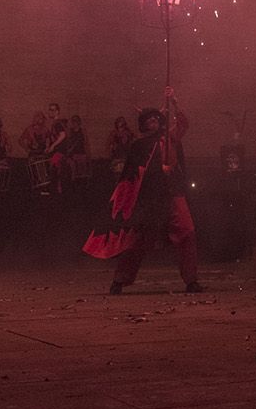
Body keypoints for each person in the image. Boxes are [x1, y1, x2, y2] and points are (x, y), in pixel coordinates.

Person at [85, 87, 201, 294]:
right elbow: (132, 176)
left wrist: (174, 101)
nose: (153, 121)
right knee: (136, 239)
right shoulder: (139, 145)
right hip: (148, 199)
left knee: (187, 231)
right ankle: (120, 280)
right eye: (148, 120)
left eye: (156, 118)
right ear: (144, 125)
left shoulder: (169, 137)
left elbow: (183, 123)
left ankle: (191, 281)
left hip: (172, 193)